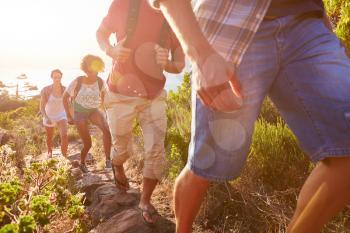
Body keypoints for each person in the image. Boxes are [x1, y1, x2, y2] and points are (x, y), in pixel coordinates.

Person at [150, 0, 350, 232]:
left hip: (307, 25)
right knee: (206, 163)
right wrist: (202, 56)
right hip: (232, 28)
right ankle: (182, 229)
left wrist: (326, 29)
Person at [96, 0, 185, 225]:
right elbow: (101, 32)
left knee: (156, 149)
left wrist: (168, 64)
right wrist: (111, 50)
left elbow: (180, 63)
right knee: (122, 146)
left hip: (153, 96)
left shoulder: (174, 13)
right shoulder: (123, 4)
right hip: (119, 95)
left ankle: (145, 201)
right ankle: (117, 163)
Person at [63, 55, 112, 173]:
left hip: (93, 110)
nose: (93, 73)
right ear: (85, 69)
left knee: (106, 131)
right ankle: (82, 162)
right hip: (79, 112)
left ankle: (108, 160)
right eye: (90, 70)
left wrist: (108, 113)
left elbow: (105, 99)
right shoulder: (78, 81)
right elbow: (65, 97)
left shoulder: (101, 82)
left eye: (95, 70)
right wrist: (69, 116)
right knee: (88, 143)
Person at [40, 69, 68, 158]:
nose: (57, 79)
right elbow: (41, 107)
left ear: (61, 77)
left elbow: (69, 104)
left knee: (64, 135)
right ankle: (49, 151)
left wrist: (71, 116)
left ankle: (64, 156)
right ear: (52, 77)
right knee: (49, 136)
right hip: (49, 116)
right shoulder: (46, 90)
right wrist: (46, 117)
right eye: (55, 77)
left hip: (61, 115)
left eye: (59, 77)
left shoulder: (65, 89)